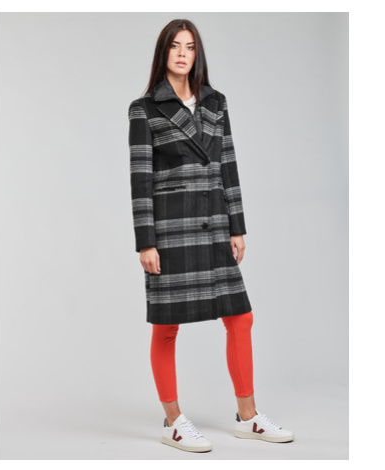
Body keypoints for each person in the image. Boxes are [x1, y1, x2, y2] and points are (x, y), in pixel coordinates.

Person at [128, 19, 294, 453]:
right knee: (166, 325)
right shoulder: (145, 109)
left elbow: (228, 167)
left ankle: (248, 416)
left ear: (197, 54)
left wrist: (237, 226)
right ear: (163, 53)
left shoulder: (216, 102)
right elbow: (140, 178)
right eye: (175, 46)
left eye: (190, 47)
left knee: (240, 317)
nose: (183, 53)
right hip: (172, 229)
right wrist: (146, 241)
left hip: (214, 223)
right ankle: (173, 421)